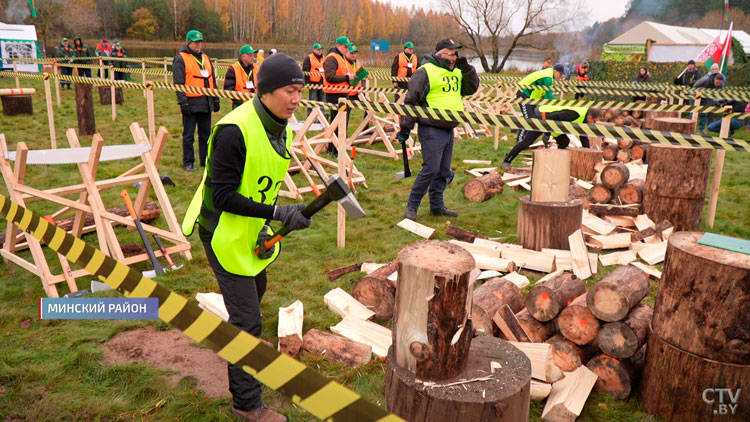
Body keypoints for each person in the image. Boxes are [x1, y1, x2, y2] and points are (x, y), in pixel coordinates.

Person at [181, 53, 306, 422]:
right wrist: (277, 213)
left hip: (249, 230)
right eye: (289, 90)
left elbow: (258, 185)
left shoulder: (277, 124)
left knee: (255, 296)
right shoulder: (235, 130)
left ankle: (240, 343)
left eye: (300, 90)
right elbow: (222, 196)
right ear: (266, 91)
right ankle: (247, 404)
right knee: (249, 320)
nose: (296, 99)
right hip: (221, 232)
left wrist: (277, 219)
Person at [398, 38, 479, 221]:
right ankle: (412, 205)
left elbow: (471, 88)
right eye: (451, 54)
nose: (454, 57)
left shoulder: (457, 71)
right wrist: (406, 128)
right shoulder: (425, 71)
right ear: (441, 54)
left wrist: (467, 69)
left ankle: (436, 206)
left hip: (449, 128)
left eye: (455, 54)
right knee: (431, 169)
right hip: (431, 128)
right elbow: (411, 101)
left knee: (443, 171)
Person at [501, 63, 564, 170]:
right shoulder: (548, 77)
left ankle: (523, 141)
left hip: (531, 97)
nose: (560, 77)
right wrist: (558, 105)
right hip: (524, 93)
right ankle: (520, 141)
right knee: (528, 120)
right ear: (556, 71)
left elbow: (545, 94)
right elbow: (548, 96)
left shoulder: (549, 76)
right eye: (560, 75)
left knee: (532, 119)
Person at [173, 29, 220, 172]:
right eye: (196, 42)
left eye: (200, 42)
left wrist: (215, 99)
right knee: (188, 135)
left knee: (205, 134)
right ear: (189, 42)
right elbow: (179, 83)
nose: (199, 45)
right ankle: (188, 162)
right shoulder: (180, 58)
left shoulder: (206, 57)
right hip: (191, 103)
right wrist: (183, 103)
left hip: (206, 103)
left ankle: (205, 160)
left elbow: (212, 80)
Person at [505, 106, 603, 164]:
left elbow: (583, 136)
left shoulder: (584, 119)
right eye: (594, 121)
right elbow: (552, 117)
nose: (594, 124)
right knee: (527, 142)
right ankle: (507, 161)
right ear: (590, 116)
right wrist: (547, 134)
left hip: (554, 125)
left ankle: (557, 165)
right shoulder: (574, 114)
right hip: (542, 117)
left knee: (564, 141)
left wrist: (589, 152)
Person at [322, 35, 356, 155]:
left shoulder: (341, 58)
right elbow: (330, 77)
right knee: (338, 124)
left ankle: (334, 149)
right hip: (335, 94)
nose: (347, 49)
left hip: (341, 93)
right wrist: (347, 77)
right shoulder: (332, 58)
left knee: (339, 123)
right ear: (338, 46)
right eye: (345, 47)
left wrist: (350, 78)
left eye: (348, 47)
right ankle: (336, 150)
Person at [224, 45, 259, 109]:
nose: (253, 58)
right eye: (250, 55)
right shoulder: (233, 69)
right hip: (239, 107)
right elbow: (228, 89)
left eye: (253, 55)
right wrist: (240, 102)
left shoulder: (257, 69)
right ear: (243, 56)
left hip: (255, 105)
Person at [301, 43, 325, 114]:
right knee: (312, 100)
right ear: (314, 50)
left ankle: (322, 116)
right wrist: (307, 83)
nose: (320, 51)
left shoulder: (324, 58)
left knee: (322, 100)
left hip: (322, 82)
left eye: (321, 49)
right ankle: (310, 115)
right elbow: (306, 71)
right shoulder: (309, 58)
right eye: (318, 50)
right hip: (313, 82)